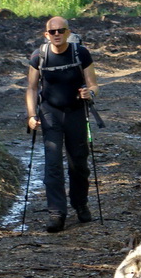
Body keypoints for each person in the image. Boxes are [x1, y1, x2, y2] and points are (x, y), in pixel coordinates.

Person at [25, 16, 100, 233]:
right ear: (46, 35)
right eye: (53, 31)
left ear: (68, 32)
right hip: (50, 114)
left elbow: (93, 84)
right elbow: (31, 88)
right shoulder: (39, 56)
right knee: (53, 163)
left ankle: (80, 203)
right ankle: (56, 213)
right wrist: (31, 115)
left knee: (79, 164)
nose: (57, 34)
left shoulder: (80, 53)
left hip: (76, 112)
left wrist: (90, 93)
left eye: (61, 30)